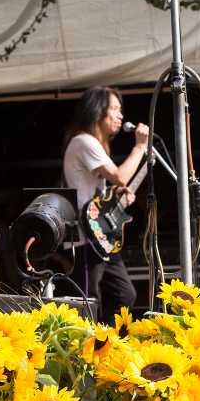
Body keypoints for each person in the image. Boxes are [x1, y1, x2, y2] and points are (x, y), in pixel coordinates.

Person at [62, 86, 150, 323]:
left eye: (121, 110)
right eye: (114, 109)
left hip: (102, 234)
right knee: (89, 300)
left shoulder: (97, 145)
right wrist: (140, 147)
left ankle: (107, 342)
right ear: (97, 111)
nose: (120, 115)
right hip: (87, 235)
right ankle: (90, 350)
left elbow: (102, 189)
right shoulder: (84, 141)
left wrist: (116, 195)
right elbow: (120, 175)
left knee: (125, 294)